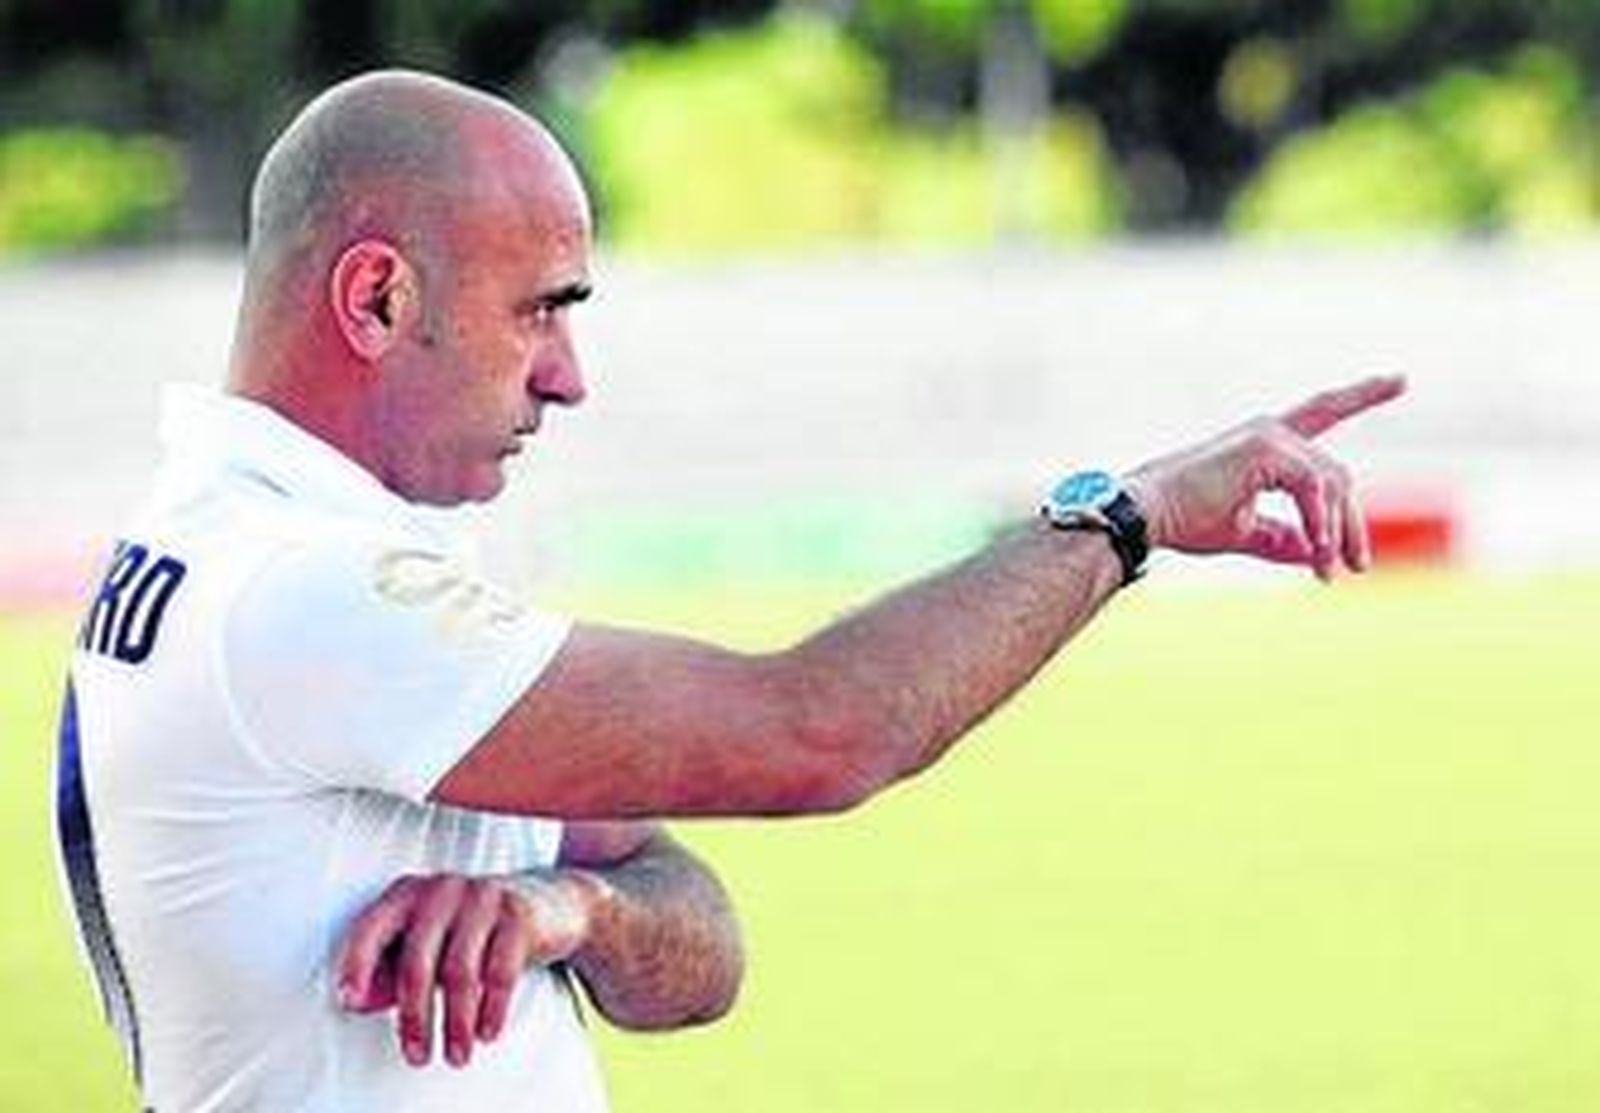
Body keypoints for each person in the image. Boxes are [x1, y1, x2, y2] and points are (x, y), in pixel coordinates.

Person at [55, 68, 1404, 1111]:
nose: (570, 374)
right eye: (542, 307)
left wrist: (564, 913)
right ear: (377, 298)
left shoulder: (281, 545)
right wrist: (1133, 512)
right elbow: (816, 732)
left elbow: (697, 938)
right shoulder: (297, 591)